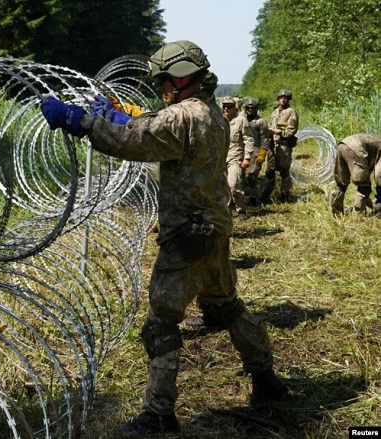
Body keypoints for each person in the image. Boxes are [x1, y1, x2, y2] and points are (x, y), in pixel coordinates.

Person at [39, 40, 287, 436]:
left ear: (182, 77)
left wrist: (81, 122)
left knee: (161, 324)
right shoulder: (212, 113)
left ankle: (159, 416)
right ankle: (267, 380)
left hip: (185, 237)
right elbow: (149, 126)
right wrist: (117, 116)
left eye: (164, 81)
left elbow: (134, 141)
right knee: (227, 306)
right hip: (215, 228)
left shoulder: (182, 116)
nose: (161, 88)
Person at [327, 133, 381, 215]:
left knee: (341, 185)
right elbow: (379, 175)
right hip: (357, 149)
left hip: (343, 145)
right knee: (364, 187)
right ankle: (358, 215)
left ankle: (336, 212)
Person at [262, 89, 299, 203]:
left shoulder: (291, 112)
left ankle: (284, 195)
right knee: (269, 171)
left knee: (284, 172)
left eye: (285, 98)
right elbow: (270, 125)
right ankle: (266, 194)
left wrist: (276, 132)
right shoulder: (275, 112)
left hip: (284, 146)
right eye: (281, 97)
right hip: (273, 146)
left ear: (288, 100)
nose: (283, 100)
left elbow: (291, 131)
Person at [221, 96, 255, 220]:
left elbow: (248, 139)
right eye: (224, 106)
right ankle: (227, 209)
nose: (226, 108)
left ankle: (241, 209)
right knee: (222, 186)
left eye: (229, 106)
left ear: (234, 108)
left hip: (235, 157)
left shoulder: (241, 120)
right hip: (221, 158)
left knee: (234, 183)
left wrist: (247, 157)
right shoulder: (219, 120)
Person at [243, 97, 272, 206]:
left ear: (256, 109)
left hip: (256, 151)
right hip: (244, 150)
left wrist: (262, 153)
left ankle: (253, 198)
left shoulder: (261, 122)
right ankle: (243, 195)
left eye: (253, 108)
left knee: (252, 175)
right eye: (248, 108)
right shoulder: (242, 119)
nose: (250, 110)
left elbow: (265, 139)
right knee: (241, 175)